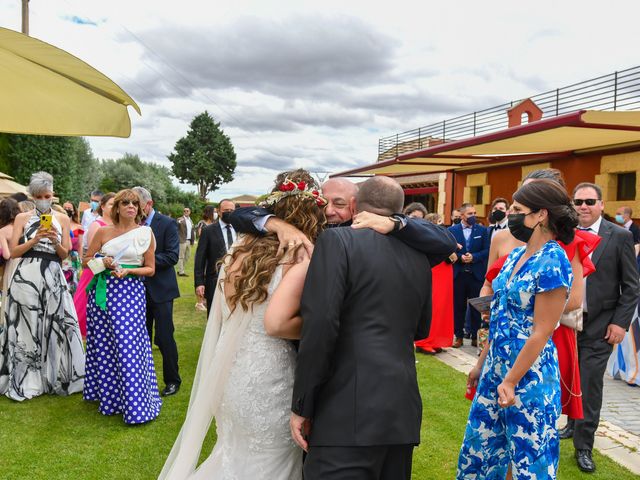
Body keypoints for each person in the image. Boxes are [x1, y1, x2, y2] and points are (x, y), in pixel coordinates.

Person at [159, 169, 326, 480]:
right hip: (271, 378)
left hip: (232, 371)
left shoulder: (242, 249)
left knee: (233, 457)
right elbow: (274, 323)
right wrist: (325, 327)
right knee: (268, 464)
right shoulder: (301, 254)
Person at [288, 176, 435, 480]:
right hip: (401, 409)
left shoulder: (336, 240)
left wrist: (303, 404)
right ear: (400, 211)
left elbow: (321, 325)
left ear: (355, 206)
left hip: (345, 410)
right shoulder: (419, 255)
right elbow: (422, 328)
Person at [457, 179, 576, 479]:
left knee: (528, 463)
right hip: (495, 372)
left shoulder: (554, 260)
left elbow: (542, 331)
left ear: (541, 215)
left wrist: (510, 381)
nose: (510, 215)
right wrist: (480, 364)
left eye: (517, 209)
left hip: (528, 378)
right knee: (481, 454)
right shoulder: (513, 258)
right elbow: (500, 319)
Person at [561, 182, 639, 473]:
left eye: (590, 201)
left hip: (601, 324)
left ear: (601, 205)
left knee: (591, 384)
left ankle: (584, 447)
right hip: (567, 322)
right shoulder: (563, 234)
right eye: (578, 201)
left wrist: (620, 323)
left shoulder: (619, 236)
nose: (583, 206)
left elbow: (631, 287)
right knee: (569, 375)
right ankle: (570, 424)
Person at [0, 172, 85, 400]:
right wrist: (34, 239)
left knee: (56, 322)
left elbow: (65, 253)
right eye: (38, 196)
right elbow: (14, 253)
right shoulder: (21, 218)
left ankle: (54, 374)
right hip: (26, 273)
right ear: (32, 195)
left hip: (53, 274)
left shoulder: (63, 218)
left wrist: (56, 241)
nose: (43, 199)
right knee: (26, 325)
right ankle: (28, 376)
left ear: (52, 195)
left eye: (47, 195)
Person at [83, 189, 161, 424]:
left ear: (139, 208)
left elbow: (150, 268)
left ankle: (136, 403)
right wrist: (102, 261)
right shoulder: (103, 231)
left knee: (129, 344)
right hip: (103, 294)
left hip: (130, 293)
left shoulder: (145, 233)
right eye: (125, 203)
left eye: (135, 204)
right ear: (117, 207)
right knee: (106, 344)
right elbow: (86, 260)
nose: (131, 206)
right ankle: (110, 399)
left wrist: (129, 270)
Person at [132, 186, 181, 397]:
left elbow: (172, 256)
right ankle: (141, 381)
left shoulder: (167, 224)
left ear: (148, 204)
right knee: (139, 337)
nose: (132, 208)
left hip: (161, 290)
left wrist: (144, 261)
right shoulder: (130, 224)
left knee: (163, 337)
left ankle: (172, 380)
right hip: (135, 290)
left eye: (136, 204)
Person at [73, 193, 115, 337]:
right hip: (96, 270)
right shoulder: (97, 224)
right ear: (102, 206)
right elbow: (92, 252)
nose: (114, 207)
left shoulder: (117, 225)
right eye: (110, 204)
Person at [448, 203, 490, 347]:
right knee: (458, 306)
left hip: (476, 274)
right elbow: (448, 249)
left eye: (474, 213)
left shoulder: (482, 230)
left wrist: (474, 257)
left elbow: (487, 250)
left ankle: (474, 336)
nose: (473, 216)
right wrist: (460, 257)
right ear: (462, 215)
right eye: (470, 214)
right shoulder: (452, 230)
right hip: (458, 274)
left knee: (476, 307)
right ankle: (458, 336)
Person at [415, 212, 454, 355]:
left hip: (445, 272)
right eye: (439, 221)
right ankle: (423, 342)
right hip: (436, 272)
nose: (442, 224)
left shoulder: (441, 235)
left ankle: (436, 340)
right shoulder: (427, 236)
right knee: (434, 305)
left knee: (443, 306)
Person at [194, 199, 236, 314]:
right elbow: (200, 259)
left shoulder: (240, 230)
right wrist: (199, 282)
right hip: (214, 281)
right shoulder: (208, 231)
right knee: (214, 316)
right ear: (219, 211)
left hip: (236, 281)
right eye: (226, 210)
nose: (229, 212)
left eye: (232, 210)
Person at [0, 198, 21, 323]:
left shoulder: (3, 231)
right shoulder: (23, 227)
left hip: (12, 266)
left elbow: (7, 255)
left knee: (10, 298)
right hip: (26, 263)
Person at [80, 190, 104, 255]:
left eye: (96, 201)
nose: (93, 203)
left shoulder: (103, 216)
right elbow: (82, 229)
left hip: (97, 250)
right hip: (84, 248)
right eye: (92, 200)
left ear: (101, 202)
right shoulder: (86, 212)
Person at [176, 207, 194, 277]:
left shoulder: (190, 220)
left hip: (189, 241)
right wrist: (179, 221)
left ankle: (181, 269)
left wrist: (192, 241)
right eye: (184, 211)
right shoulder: (180, 219)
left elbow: (192, 231)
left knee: (187, 256)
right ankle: (181, 272)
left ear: (190, 212)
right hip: (182, 240)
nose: (186, 212)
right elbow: (177, 225)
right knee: (181, 257)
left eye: (187, 211)